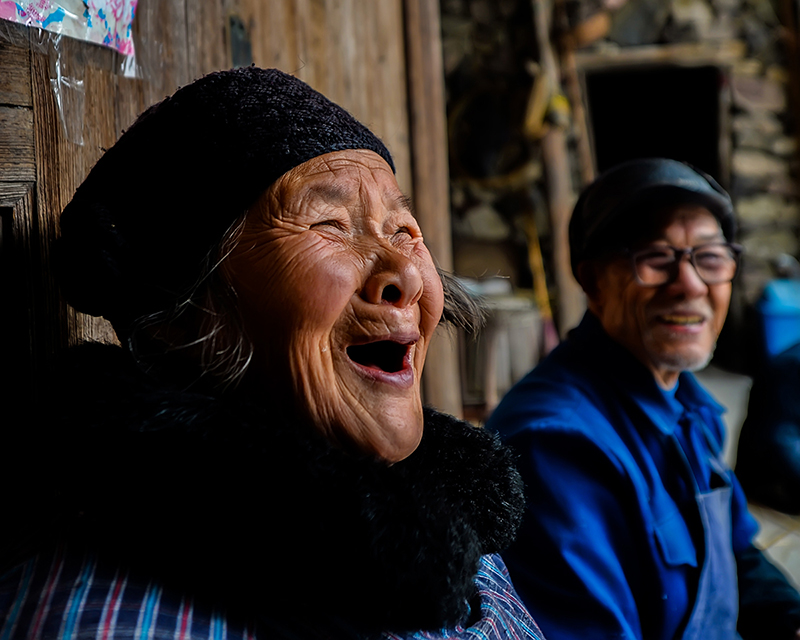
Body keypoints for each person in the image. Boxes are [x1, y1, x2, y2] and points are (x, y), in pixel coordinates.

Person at [0, 67, 545, 640]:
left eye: (404, 229)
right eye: (330, 224)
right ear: (181, 316)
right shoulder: (113, 621)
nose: (407, 272)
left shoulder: (443, 530)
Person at [487, 158, 800, 640]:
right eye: (656, 257)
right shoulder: (554, 445)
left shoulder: (691, 405)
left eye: (711, 258)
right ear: (593, 282)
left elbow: (737, 552)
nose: (691, 284)